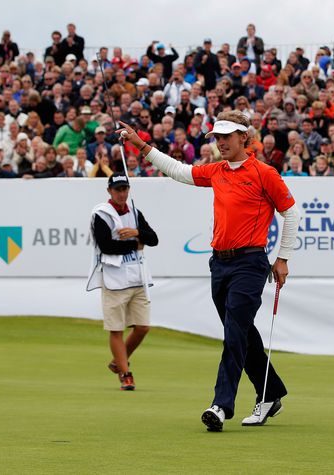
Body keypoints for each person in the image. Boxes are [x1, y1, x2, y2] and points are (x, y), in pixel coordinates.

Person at [117, 110, 300, 431]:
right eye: (217, 137)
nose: (221, 142)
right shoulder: (217, 171)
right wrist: (139, 144)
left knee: (234, 334)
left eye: (226, 136)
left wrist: (283, 257)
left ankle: (221, 405)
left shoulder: (263, 172)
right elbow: (178, 170)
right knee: (239, 331)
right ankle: (271, 392)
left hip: (251, 262)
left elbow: (291, 212)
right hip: (220, 263)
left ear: (244, 137)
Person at [87, 172, 159, 391]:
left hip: (137, 277)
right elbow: (105, 245)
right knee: (116, 329)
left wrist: (137, 232)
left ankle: (119, 360)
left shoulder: (135, 212)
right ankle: (125, 373)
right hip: (114, 277)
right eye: (118, 189)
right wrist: (134, 243)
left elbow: (153, 239)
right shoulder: (101, 214)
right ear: (109, 191)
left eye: (125, 189)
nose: (122, 193)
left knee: (143, 327)